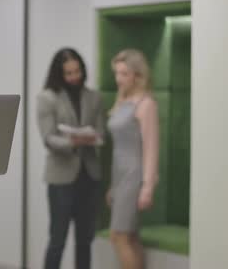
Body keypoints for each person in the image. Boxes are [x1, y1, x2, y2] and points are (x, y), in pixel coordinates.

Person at [37, 48, 105, 269]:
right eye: (69, 73)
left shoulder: (94, 97)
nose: (75, 76)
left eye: (78, 71)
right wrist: (73, 142)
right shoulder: (47, 98)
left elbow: (101, 132)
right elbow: (49, 138)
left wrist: (92, 137)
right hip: (61, 179)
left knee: (85, 240)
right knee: (58, 240)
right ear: (59, 74)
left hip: (89, 177)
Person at [107, 49, 159, 269]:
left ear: (137, 75)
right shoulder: (122, 102)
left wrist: (147, 186)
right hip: (120, 177)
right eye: (117, 73)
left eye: (124, 74)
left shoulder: (146, 104)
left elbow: (151, 148)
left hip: (133, 176)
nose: (119, 79)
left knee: (118, 236)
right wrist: (112, 186)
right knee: (130, 237)